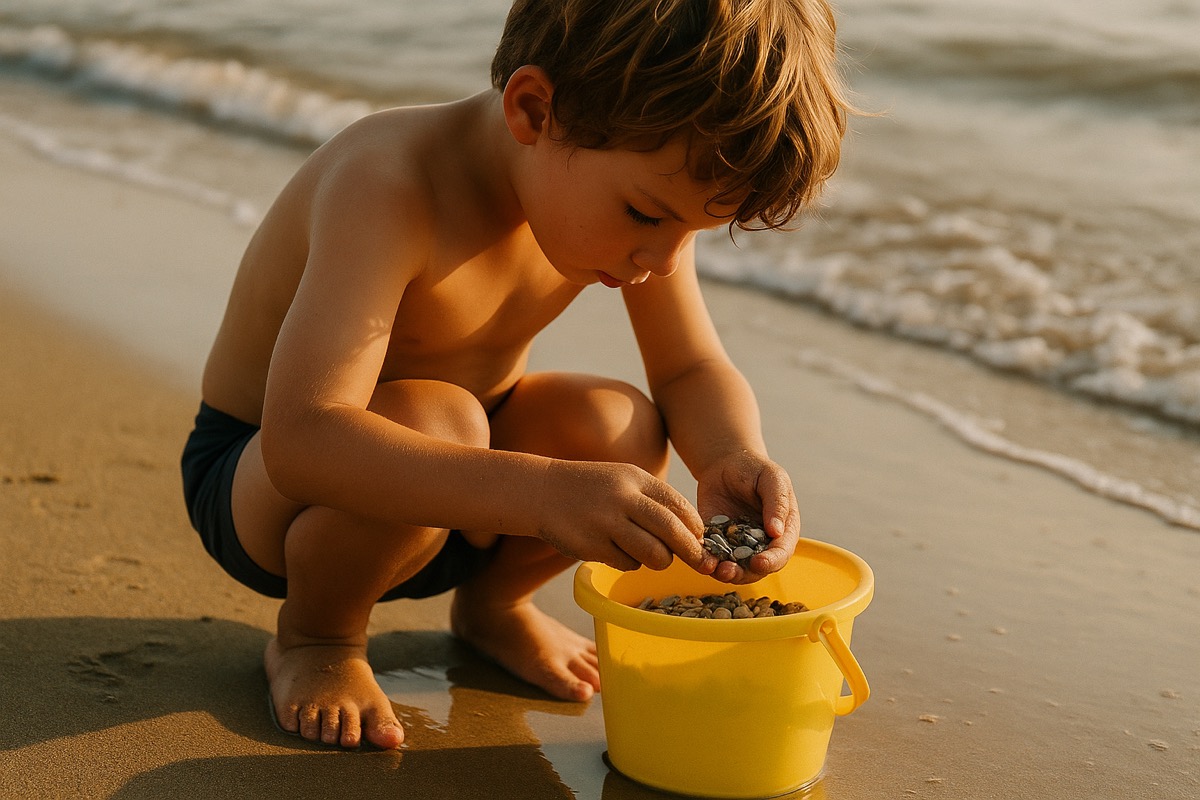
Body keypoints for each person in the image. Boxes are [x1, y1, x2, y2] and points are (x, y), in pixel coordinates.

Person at [181, 0, 852, 751]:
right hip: (273, 492)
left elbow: (690, 366)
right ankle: (318, 637)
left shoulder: (635, 182)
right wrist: (541, 494)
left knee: (616, 425)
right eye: (647, 216)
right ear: (535, 109)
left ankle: (491, 608)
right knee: (441, 417)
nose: (663, 260)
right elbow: (301, 439)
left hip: (471, 495)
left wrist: (734, 454)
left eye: (691, 231)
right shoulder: (388, 183)